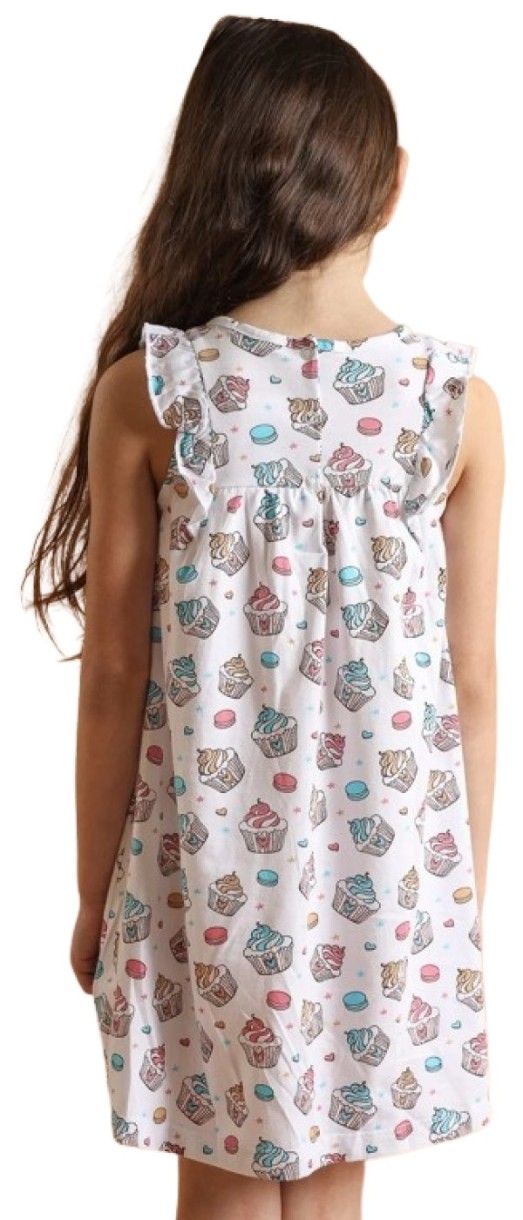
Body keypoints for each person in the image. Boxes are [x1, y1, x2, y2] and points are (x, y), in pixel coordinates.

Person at [22, 14, 503, 1220]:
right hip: (387, 875)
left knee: (224, 1179)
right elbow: (473, 681)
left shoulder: (157, 391)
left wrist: (95, 889)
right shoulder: (454, 403)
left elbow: (113, 674)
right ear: (392, 184)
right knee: (333, 1187)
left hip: (206, 865)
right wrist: (455, 899)